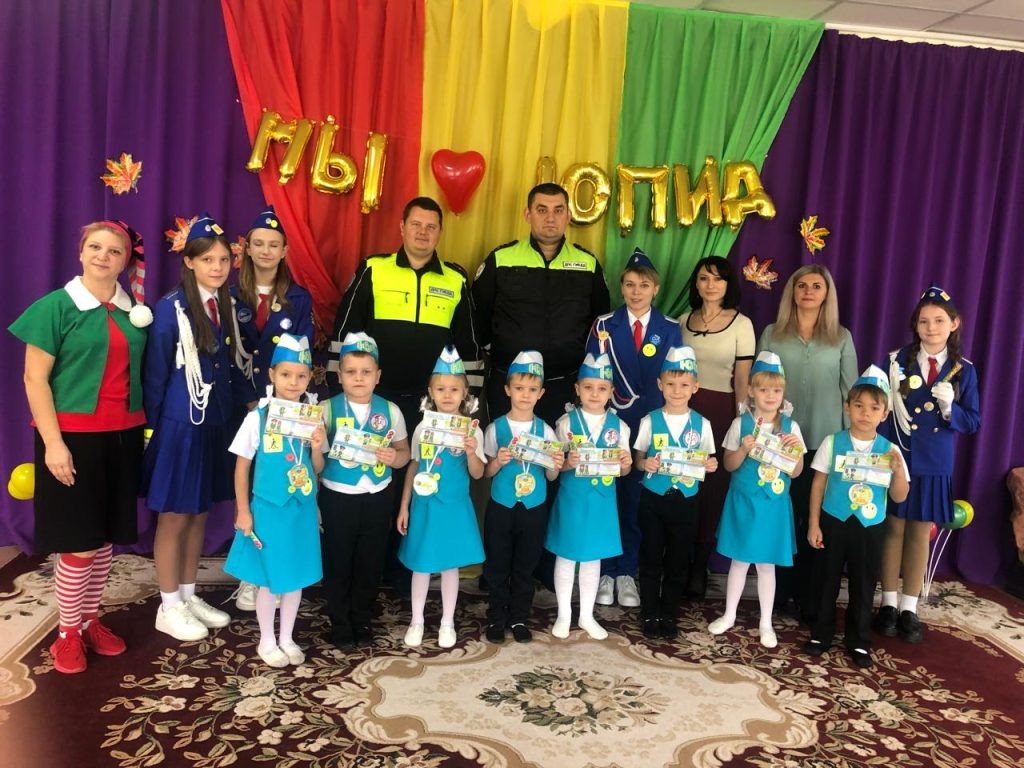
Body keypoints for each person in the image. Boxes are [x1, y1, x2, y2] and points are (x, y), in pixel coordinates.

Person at [9, 220, 149, 673]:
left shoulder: (133, 310)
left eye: (114, 250)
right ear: (81, 252)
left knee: (104, 539)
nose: (103, 256)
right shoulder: (56, 307)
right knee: (79, 541)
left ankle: (90, 620)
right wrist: (54, 444)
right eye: (95, 247)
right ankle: (66, 632)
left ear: (125, 261)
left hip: (124, 434)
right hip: (72, 437)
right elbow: (34, 379)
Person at [332, 196, 480, 594]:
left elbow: (468, 347)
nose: (423, 232)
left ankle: (405, 570)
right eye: (416, 224)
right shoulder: (374, 269)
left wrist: (466, 409)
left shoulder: (455, 279)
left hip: (433, 407)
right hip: (377, 400)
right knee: (377, 477)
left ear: (440, 233)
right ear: (401, 227)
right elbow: (345, 333)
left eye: (431, 226)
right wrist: (338, 395)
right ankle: (369, 568)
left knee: (421, 480)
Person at [142, 213, 238, 642]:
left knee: (199, 512)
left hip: (212, 421)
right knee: (175, 516)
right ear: (190, 262)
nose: (217, 267)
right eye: (208, 259)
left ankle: (187, 593)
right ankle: (168, 605)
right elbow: (156, 373)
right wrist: (152, 431)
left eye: (223, 259)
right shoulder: (171, 308)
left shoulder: (224, 305)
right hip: (181, 425)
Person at [874, 285, 980, 644]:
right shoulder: (896, 361)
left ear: (954, 324)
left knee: (920, 532)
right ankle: (888, 603)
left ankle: (909, 607)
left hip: (935, 461)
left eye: (939, 321)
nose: (931, 328)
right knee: (893, 528)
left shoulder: (964, 371)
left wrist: (951, 409)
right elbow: (882, 409)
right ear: (915, 325)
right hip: (899, 455)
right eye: (923, 321)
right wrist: (882, 455)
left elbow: (974, 421)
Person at [758, 264, 858, 622]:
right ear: (792, 291)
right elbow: (758, 385)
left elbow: (851, 393)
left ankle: (807, 594)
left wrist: (848, 443)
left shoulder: (841, 337)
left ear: (827, 293)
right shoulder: (772, 333)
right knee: (780, 515)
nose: (809, 291)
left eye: (817, 286)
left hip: (823, 443)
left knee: (813, 520)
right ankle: (778, 591)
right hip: (778, 444)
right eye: (802, 285)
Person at [231, 206, 316, 612]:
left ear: (284, 251)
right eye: (259, 244)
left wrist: (283, 400)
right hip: (241, 402)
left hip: (284, 402)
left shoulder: (298, 298)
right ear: (247, 249)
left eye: (274, 245)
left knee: (281, 478)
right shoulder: (230, 293)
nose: (266, 251)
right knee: (248, 481)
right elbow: (226, 352)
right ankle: (251, 573)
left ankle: (279, 567)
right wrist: (251, 400)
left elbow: (300, 354)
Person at [587, 247, 681, 610]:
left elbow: (675, 379)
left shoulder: (669, 328)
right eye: (629, 284)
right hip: (612, 423)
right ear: (621, 287)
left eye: (643, 285)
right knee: (607, 497)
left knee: (637, 501)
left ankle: (627, 570)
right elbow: (592, 375)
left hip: (651, 426)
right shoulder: (604, 326)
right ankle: (605, 570)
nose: (636, 291)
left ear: (655, 288)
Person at [224, 334, 325, 667]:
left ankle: (287, 637)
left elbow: (317, 468)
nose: (293, 382)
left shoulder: (312, 417)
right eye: (285, 374)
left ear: (309, 378)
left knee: (295, 575)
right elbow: (242, 466)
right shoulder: (258, 417)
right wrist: (243, 511)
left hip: (301, 508)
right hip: (268, 508)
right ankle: (267, 639)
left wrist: (316, 447)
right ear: (272, 375)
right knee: (268, 578)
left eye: (300, 376)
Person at [473, 182, 610, 426]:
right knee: (504, 446)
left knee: (565, 448)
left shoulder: (587, 263)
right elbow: (478, 313)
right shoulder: (501, 258)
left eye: (558, 210)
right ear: (528, 214)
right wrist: (497, 347)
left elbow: (600, 322)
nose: (550, 218)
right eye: (542, 210)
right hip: (511, 384)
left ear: (568, 215)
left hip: (566, 384)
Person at [803, 366, 910, 669]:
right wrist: (813, 523)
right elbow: (818, 484)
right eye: (859, 405)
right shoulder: (832, 442)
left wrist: (897, 471)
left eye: (874, 408)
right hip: (834, 520)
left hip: (870, 526)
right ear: (847, 407)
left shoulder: (891, 451)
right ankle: (820, 634)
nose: (865, 413)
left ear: (885, 414)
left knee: (863, 584)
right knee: (826, 580)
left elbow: (900, 496)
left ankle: (859, 641)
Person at [319, 332, 410, 648]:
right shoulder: (326, 410)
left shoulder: (391, 411)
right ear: (339, 375)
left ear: (378, 376)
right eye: (351, 372)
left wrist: (394, 457)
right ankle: (340, 623)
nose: (359, 378)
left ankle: (362, 618)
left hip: (376, 496)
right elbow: (313, 460)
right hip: (337, 496)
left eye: (366, 372)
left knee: (369, 561)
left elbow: (405, 453)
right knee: (337, 561)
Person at [708, 352, 805, 648]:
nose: (770, 396)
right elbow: (728, 465)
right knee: (738, 561)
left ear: (783, 392)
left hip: (773, 506)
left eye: (776, 390)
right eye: (763, 389)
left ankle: (766, 623)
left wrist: (795, 452)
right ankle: (729, 615)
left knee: (766, 566)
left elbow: (796, 472)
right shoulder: (740, 424)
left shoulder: (791, 428)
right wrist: (742, 450)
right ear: (751, 391)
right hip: (744, 503)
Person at [396, 346, 485, 649]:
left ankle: (447, 622)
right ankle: (417, 620)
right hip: (425, 505)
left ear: (465, 393)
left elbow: (477, 474)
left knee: (450, 565)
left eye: (454, 389)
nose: (447, 395)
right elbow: (414, 465)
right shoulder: (423, 427)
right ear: (431, 393)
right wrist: (405, 505)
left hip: (454, 506)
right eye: (441, 389)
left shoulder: (472, 430)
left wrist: (471, 451)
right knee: (421, 564)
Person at [679, 256, 755, 600]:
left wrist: (740, 421)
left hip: (721, 411)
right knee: (681, 479)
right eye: (704, 278)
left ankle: (699, 564)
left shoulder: (742, 324)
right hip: (683, 411)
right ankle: (677, 561)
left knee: (713, 488)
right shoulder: (682, 321)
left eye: (718, 279)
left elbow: (742, 379)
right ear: (695, 283)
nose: (711, 285)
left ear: (728, 285)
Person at [633, 346, 718, 640]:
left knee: (678, 561)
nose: (677, 390)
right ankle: (649, 612)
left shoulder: (702, 424)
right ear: (660, 385)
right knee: (651, 557)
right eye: (670, 384)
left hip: (686, 500)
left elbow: (708, 461)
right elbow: (638, 459)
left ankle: (669, 613)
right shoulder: (649, 420)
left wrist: (710, 465)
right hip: (653, 499)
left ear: (695, 386)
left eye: (684, 384)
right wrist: (645, 464)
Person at [545, 353, 632, 641]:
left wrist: (625, 464)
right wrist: (566, 463)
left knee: (593, 559)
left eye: (602, 388)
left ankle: (586, 615)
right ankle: (563, 614)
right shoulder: (565, 423)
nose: (595, 394)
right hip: (572, 499)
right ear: (577, 389)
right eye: (588, 387)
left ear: (611, 391)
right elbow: (553, 465)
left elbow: (624, 469)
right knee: (566, 557)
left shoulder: (620, 426)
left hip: (601, 503)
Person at [482, 351, 564, 644]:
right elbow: (485, 473)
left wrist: (556, 464)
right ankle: (496, 616)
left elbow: (551, 477)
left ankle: (518, 617)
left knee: (525, 565)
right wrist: (497, 462)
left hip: (534, 507)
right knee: (497, 564)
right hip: (501, 505)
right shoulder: (495, 428)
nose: (525, 395)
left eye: (532, 389)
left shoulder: (547, 431)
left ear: (541, 393)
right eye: (519, 388)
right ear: (507, 390)